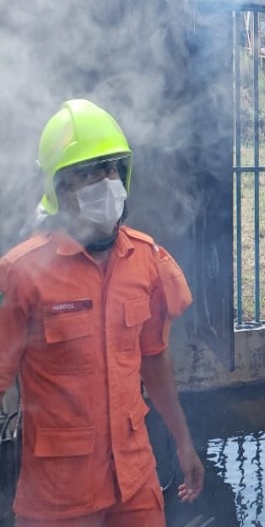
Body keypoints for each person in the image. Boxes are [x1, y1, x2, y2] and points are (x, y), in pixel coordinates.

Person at [0, 99, 204, 526]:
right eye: (90, 172)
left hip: (134, 484)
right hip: (59, 498)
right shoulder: (22, 275)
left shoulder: (145, 259)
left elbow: (153, 358)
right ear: (60, 190)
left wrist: (184, 443)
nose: (106, 181)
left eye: (111, 168)